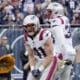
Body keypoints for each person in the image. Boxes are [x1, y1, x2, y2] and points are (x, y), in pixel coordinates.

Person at [45, 2, 76, 80]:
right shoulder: (65, 19)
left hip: (62, 54)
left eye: (49, 11)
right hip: (70, 52)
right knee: (65, 78)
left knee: (48, 77)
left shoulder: (56, 21)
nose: (47, 14)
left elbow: (61, 39)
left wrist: (62, 58)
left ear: (56, 11)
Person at [23, 15, 54, 80]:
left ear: (37, 25)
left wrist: (40, 69)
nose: (29, 28)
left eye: (32, 25)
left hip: (51, 61)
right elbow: (31, 55)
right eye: (27, 26)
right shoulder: (26, 37)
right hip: (39, 61)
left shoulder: (44, 34)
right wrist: (32, 69)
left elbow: (50, 56)